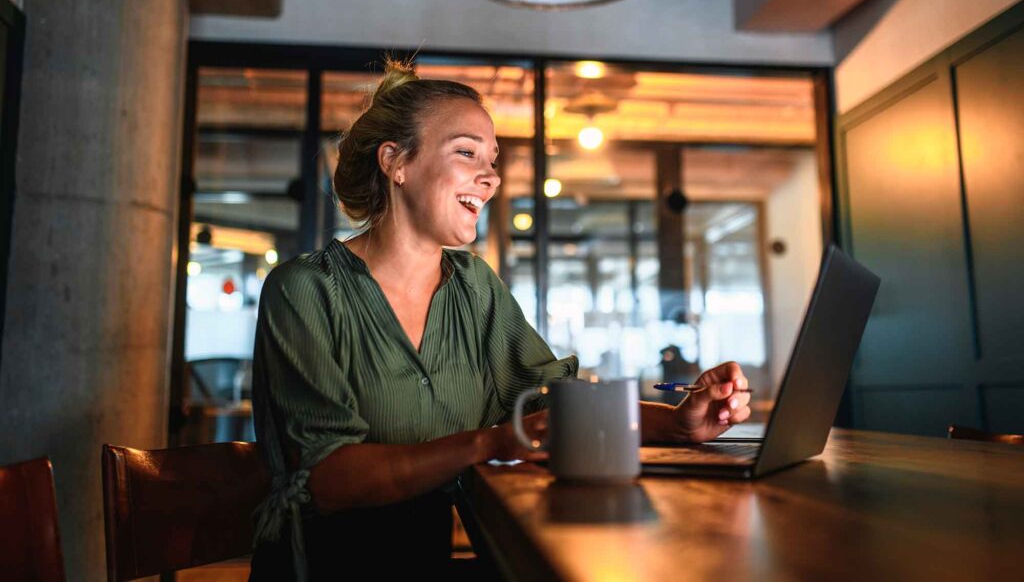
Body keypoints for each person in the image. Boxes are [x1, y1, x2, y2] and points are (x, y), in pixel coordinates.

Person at [248, 59, 751, 581]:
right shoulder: (304, 290)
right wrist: (492, 441)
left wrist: (678, 421)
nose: (490, 178)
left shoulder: (474, 286)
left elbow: (554, 401)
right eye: (466, 153)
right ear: (396, 162)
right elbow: (332, 478)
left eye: (491, 159)